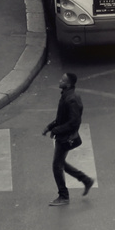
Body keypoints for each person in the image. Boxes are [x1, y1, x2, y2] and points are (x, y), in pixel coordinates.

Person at [43, 73, 94, 205]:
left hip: (66, 138)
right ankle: (86, 180)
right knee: (60, 163)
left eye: (62, 80)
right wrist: (50, 127)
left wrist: (56, 130)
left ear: (68, 84)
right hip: (63, 136)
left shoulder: (71, 99)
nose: (60, 81)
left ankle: (64, 196)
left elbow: (74, 122)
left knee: (56, 166)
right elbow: (61, 118)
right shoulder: (66, 95)